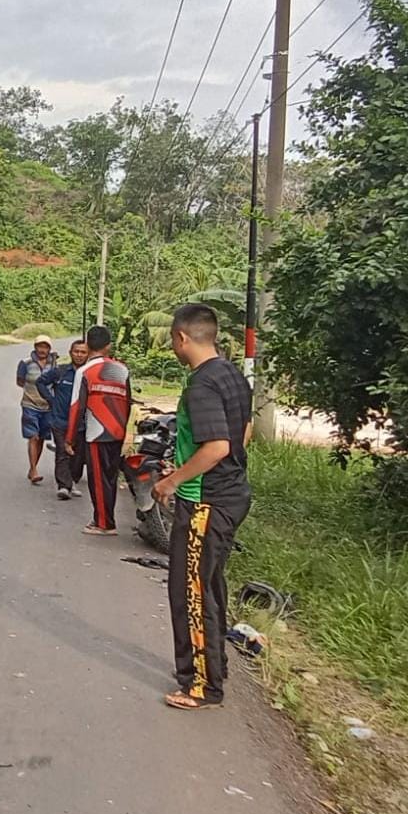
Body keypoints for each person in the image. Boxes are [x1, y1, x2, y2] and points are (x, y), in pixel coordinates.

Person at [153, 304, 253, 711]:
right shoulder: (231, 375)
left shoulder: (201, 385)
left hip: (204, 502)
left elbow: (217, 446)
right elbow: (241, 432)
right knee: (209, 586)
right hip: (229, 492)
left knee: (190, 593)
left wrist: (173, 480)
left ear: (182, 338)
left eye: (173, 341)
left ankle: (200, 685)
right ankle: (215, 667)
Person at [65, 325, 131, 536]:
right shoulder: (122, 370)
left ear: (88, 345)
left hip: (96, 432)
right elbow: (129, 403)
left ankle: (104, 523)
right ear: (109, 345)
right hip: (118, 431)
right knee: (110, 477)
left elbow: (77, 407)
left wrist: (70, 438)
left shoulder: (84, 371)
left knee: (98, 480)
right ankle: (105, 518)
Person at [38, 339, 88, 500]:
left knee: (77, 455)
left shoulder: (89, 373)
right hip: (59, 419)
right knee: (62, 451)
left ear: (88, 354)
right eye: (76, 351)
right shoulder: (60, 371)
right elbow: (41, 382)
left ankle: (72, 481)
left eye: (83, 352)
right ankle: (63, 486)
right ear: (70, 353)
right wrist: (51, 400)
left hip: (81, 422)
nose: (79, 355)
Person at [16, 335, 56, 486]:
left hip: (48, 406)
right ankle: (33, 470)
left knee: (41, 438)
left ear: (49, 349)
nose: (42, 350)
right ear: (35, 347)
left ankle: (33, 467)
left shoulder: (54, 365)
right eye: (40, 346)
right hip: (29, 404)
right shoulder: (25, 363)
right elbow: (20, 381)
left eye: (45, 347)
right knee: (33, 437)